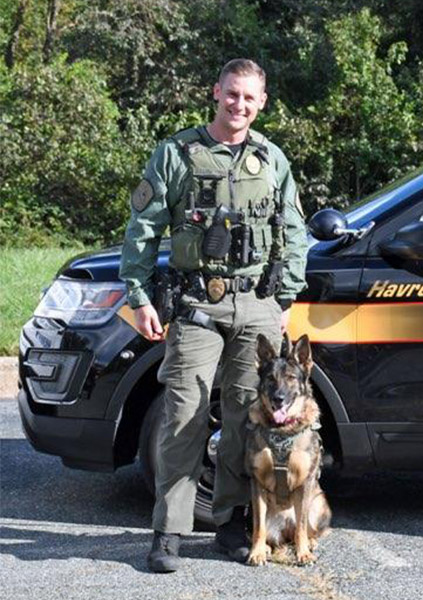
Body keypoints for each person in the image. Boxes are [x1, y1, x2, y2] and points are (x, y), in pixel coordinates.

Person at [119, 58, 308, 573]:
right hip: (196, 305)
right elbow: (143, 228)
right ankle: (168, 532)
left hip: (257, 308)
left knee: (246, 417)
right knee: (183, 414)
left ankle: (230, 524)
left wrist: (284, 299)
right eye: (231, 95)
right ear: (215, 92)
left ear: (262, 102)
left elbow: (294, 231)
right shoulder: (177, 153)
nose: (239, 105)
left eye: (249, 98)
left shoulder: (272, 158)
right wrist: (138, 296)